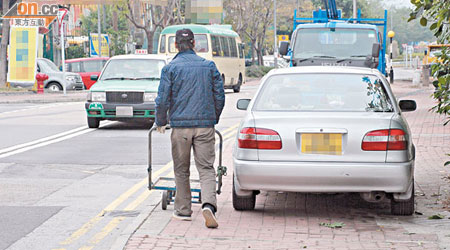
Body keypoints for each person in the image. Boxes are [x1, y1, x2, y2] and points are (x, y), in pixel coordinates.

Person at [155, 28, 225, 228]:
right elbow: (219, 96)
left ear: (175, 45)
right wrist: (213, 117)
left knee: (181, 169)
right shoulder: (209, 66)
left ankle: (183, 210)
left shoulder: (170, 69)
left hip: (180, 128)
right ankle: (209, 206)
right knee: (206, 168)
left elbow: (162, 100)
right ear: (194, 44)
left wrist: (160, 121)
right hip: (205, 126)